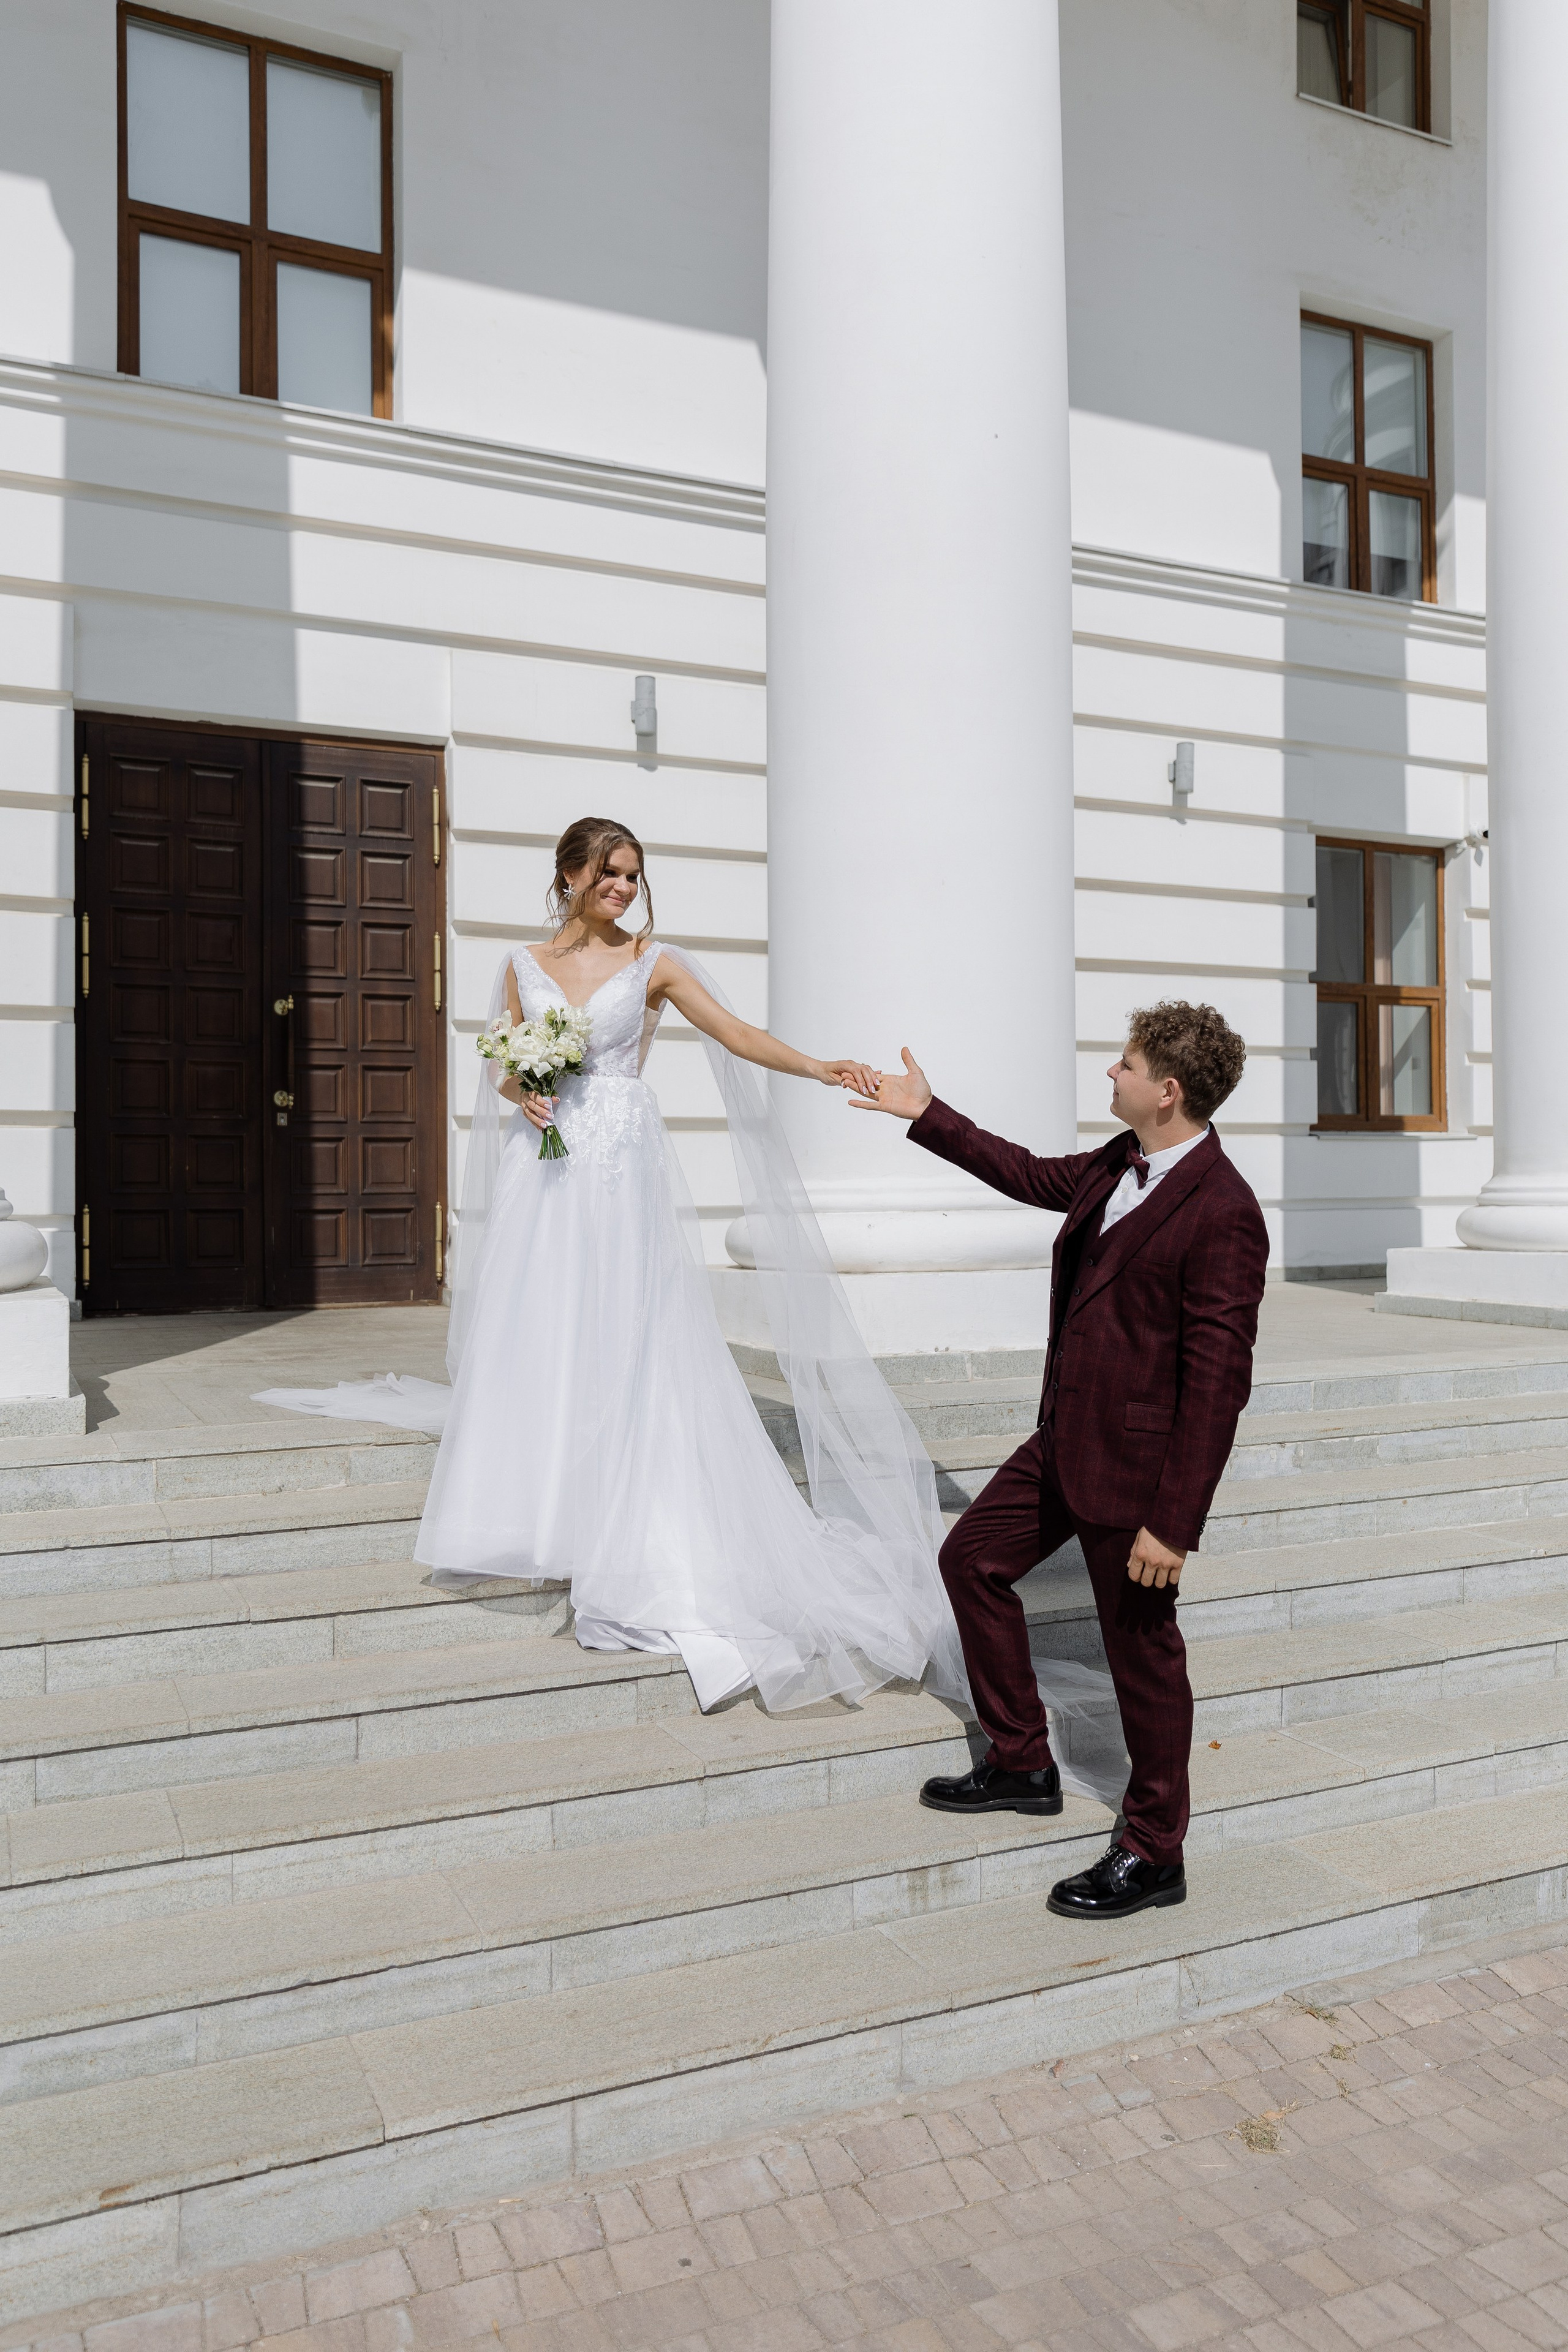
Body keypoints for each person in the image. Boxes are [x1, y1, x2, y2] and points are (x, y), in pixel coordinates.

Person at [258, 816, 965, 1719]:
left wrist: (825, 1068)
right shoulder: (519, 965)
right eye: (610, 874)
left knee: (627, 1336)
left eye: (633, 875)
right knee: (542, 1329)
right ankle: (537, 1507)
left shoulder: (657, 962)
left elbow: (737, 1035)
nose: (625, 889)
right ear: (569, 875)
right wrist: (526, 1089)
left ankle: (626, 1511)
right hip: (543, 1170)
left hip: (621, 1168)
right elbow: (500, 1073)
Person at [853, 1003, 1268, 1919]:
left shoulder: (1226, 1210)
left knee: (1144, 1661)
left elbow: (1216, 1385)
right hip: (1063, 1439)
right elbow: (1033, 1175)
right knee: (972, 1561)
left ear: (1167, 1089)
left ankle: (1156, 1851)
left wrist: (1175, 1522)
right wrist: (927, 1113)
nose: (1107, 1076)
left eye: (1122, 1066)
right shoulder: (1121, 1163)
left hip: (1139, 1475)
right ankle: (1021, 1761)